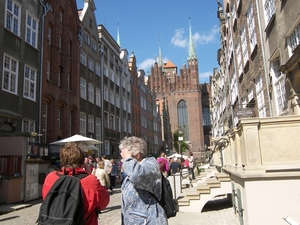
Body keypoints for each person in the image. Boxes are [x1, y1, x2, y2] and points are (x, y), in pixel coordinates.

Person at [42, 145, 109, 225]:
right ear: (82, 161)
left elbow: (45, 198)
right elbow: (104, 202)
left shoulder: (50, 177)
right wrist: (89, 174)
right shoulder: (90, 181)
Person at [119, 136, 168, 225]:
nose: (122, 157)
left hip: (148, 220)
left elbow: (137, 176)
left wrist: (127, 159)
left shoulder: (150, 164)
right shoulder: (134, 167)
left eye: (126, 154)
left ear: (137, 155)